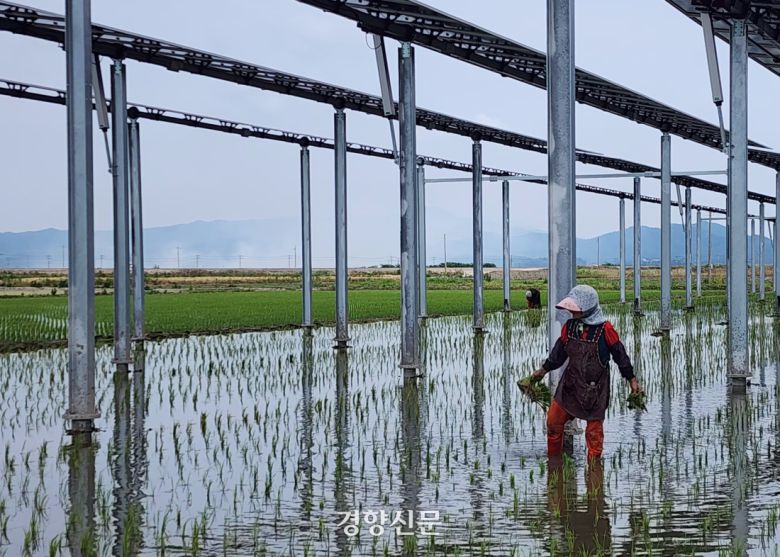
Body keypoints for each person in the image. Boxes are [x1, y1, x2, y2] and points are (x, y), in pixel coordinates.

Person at [533, 284, 641, 460]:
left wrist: (632, 379)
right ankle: (554, 464)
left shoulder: (606, 330)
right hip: (570, 386)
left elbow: (620, 355)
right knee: (553, 423)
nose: (571, 312)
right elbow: (558, 354)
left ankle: (594, 472)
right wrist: (543, 370)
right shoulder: (569, 327)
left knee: (594, 435)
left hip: (595, 390)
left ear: (588, 308)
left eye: (575, 308)